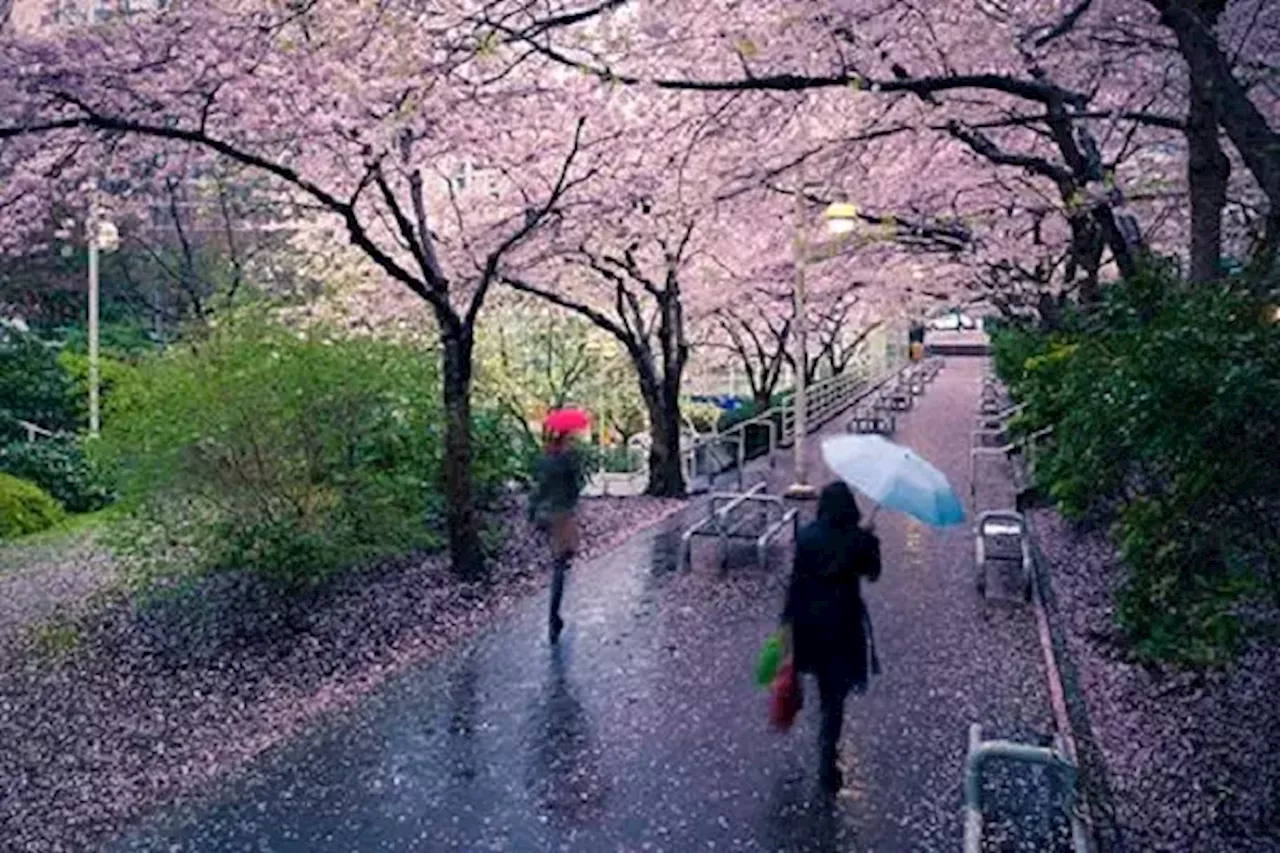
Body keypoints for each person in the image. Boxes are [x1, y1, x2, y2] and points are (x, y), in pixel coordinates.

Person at [779, 481, 881, 793]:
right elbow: (873, 574)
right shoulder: (860, 539)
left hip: (808, 621)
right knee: (835, 693)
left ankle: (819, 719)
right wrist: (869, 539)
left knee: (819, 675)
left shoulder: (808, 536)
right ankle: (828, 749)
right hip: (844, 622)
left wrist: (786, 622)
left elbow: (796, 579)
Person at [531, 427, 583, 644]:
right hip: (561, 516)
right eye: (570, 437)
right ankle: (554, 618)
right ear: (564, 439)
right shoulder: (567, 460)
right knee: (559, 568)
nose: (573, 441)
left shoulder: (545, 459)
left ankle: (555, 616)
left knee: (561, 559)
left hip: (545, 515)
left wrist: (532, 512)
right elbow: (575, 489)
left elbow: (539, 489)